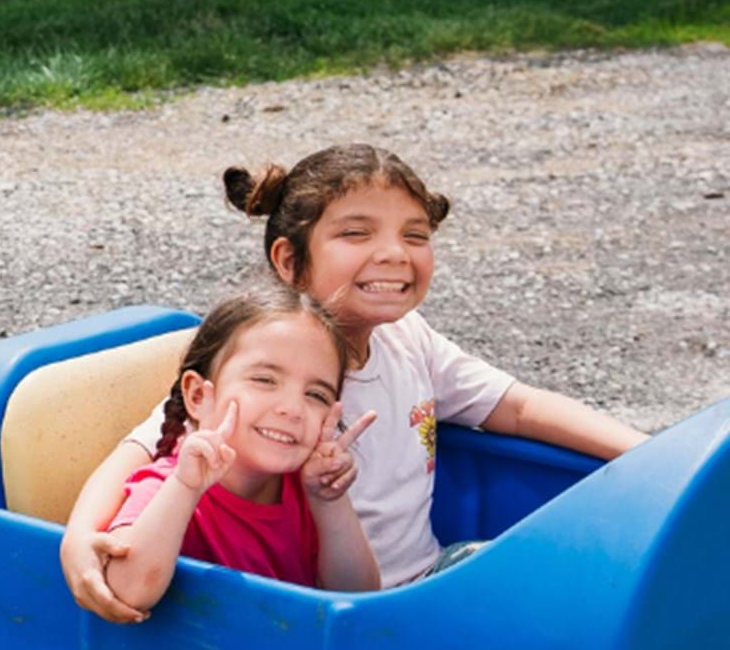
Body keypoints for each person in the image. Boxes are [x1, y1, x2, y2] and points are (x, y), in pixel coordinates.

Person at [63, 144, 647, 619]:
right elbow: (145, 449)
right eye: (357, 234)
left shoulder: (409, 339)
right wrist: (78, 537)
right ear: (289, 261)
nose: (394, 254)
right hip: (347, 614)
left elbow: (516, 408)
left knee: (583, 590)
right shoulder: (254, 374)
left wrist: (649, 455)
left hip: (424, 581)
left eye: (414, 236)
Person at [102, 280, 380, 612]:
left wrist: (330, 502)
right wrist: (185, 488)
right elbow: (126, 592)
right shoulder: (165, 485)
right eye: (265, 380)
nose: (292, 408)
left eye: (316, 395)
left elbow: (360, 597)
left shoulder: (306, 487)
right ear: (198, 396)